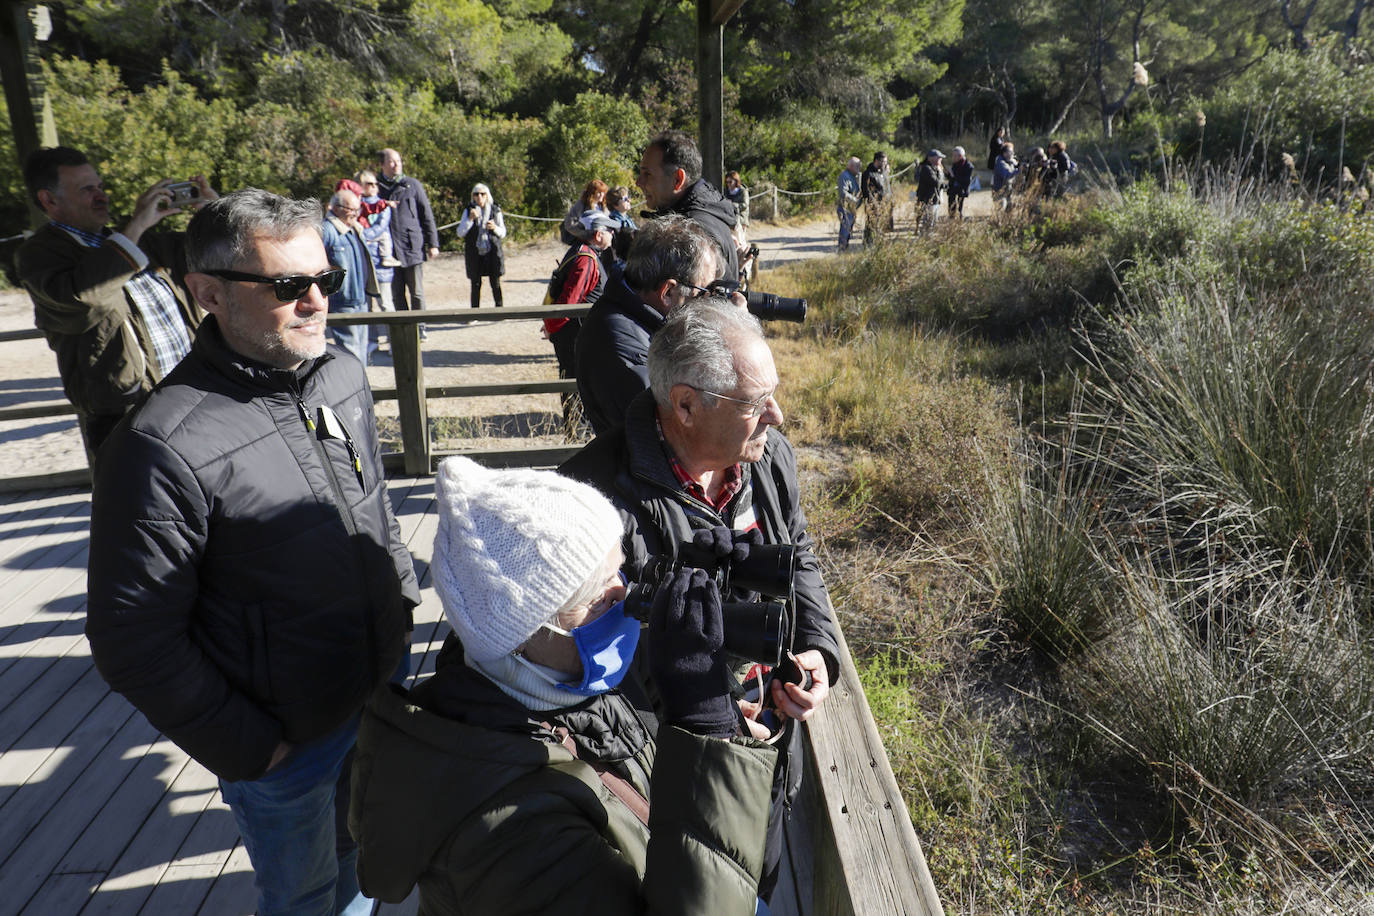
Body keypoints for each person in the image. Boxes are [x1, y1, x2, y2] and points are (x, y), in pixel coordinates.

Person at [85, 188, 421, 915]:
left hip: (375, 696)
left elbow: (376, 505)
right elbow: (131, 638)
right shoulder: (158, 446)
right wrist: (253, 748)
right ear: (206, 292)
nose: (316, 302)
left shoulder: (340, 374)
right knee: (302, 896)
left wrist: (401, 603)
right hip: (283, 747)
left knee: (364, 867)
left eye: (324, 281)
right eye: (287, 286)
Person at [349, 456, 778, 914]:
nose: (622, 596)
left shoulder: (552, 685)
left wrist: (707, 712)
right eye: (595, 597)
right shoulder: (510, 832)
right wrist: (705, 725)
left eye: (621, 569)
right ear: (520, 636)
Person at [561, 298, 841, 900]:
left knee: (759, 873)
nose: (779, 415)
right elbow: (592, 662)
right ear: (685, 405)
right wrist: (709, 717)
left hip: (767, 740)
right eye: (754, 402)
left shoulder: (766, 460)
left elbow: (799, 551)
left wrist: (818, 646)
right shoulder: (594, 498)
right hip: (668, 770)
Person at [16, 146, 211, 466]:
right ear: (49, 201)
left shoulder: (141, 242)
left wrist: (211, 212)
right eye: (87, 189)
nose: (101, 196)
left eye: (100, 187)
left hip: (195, 401)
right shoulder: (39, 256)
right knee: (147, 512)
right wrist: (134, 227)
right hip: (128, 417)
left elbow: (220, 258)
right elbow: (82, 296)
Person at [574, 215, 720, 436]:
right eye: (703, 292)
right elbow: (679, 433)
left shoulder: (639, 318)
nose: (709, 302)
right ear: (668, 292)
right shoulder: (622, 347)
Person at [543, 210, 620, 432]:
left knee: (578, 388)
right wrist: (553, 328)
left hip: (575, 335)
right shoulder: (586, 259)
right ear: (598, 234)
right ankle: (577, 438)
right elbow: (569, 303)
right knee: (577, 390)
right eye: (610, 230)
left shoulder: (581, 252)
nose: (612, 235)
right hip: (574, 338)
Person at [636, 130, 739, 281]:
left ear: (678, 180)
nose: (638, 182)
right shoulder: (706, 213)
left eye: (647, 174)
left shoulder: (693, 232)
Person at [377, 148, 439, 332]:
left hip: (412, 246)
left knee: (417, 292)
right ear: (382, 165)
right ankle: (404, 330)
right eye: (392, 161)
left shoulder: (412, 185)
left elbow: (426, 215)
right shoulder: (377, 188)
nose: (397, 165)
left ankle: (420, 328)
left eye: (399, 161)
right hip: (388, 251)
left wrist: (433, 243)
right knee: (397, 294)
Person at [320, 188, 378, 365]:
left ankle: (362, 389)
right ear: (335, 207)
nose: (355, 214)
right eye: (351, 209)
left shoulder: (353, 229)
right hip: (342, 303)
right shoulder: (327, 230)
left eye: (357, 209)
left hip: (360, 301)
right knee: (352, 355)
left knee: (361, 353)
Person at [356, 170, 396, 357]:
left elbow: (380, 227)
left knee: (385, 304)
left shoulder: (384, 205)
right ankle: (372, 341)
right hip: (363, 261)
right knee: (366, 306)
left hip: (381, 263)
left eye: (374, 184)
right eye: (367, 184)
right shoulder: (355, 204)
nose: (371, 187)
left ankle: (393, 340)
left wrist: (364, 236)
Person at [457, 183, 506, 308]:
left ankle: (499, 310)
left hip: (492, 251)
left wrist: (494, 228)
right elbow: (460, 232)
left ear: (487, 196)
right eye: (476, 194)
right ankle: (474, 313)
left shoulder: (495, 210)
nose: (479, 197)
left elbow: (503, 232)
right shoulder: (468, 210)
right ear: (472, 196)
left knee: (495, 282)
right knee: (475, 283)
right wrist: (470, 220)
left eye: (482, 194)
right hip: (475, 252)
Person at [561, 179, 609, 245]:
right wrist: (587, 235)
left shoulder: (604, 206)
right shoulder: (581, 205)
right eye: (599, 192)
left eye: (603, 192)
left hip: (603, 243)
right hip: (586, 244)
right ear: (592, 193)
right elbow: (569, 224)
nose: (602, 195)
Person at [860, 152, 890, 244]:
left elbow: (886, 188)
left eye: (886, 162)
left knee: (881, 224)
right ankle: (868, 243)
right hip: (872, 204)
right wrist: (874, 204)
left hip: (883, 203)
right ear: (876, 161)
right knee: (871, 224)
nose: (885, 164)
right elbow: (866, 191)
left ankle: (877, 242)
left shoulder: (883, 172)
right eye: (883, 162)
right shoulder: (868, 173)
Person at [915, 149, 947, 232]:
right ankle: (926, 237)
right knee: (929, 222)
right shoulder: (926, 168)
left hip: (934, 199)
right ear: (931, 158)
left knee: (933, 221)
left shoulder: (933, 168)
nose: (941, 160)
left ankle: (928, 237)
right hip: (928, 199)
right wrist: (940, 173)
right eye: (939, 158)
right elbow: (936, 182)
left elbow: (939, 183)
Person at [836, 156, 861, 251]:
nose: (858, 168)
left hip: (851, 210)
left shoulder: (854, 176)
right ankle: (841, 251)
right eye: (857, 166)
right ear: (850, 166)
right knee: (844, 232)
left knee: (848, 232)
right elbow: (843, 193)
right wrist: (855, 200)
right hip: (845, 209)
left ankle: (844, 250)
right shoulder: (845, 176)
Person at [948, 147, 974, 219]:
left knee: (960, 208)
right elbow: (951, 177)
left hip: (962, 190)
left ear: (960, 156)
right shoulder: (955, 164)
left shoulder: (968, 166)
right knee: (951, 206)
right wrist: (948, 174)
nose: (953, 157)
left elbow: (966, 180)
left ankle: (960, 220)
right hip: (953, 189)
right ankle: (952, 219)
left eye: (955, 156)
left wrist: (954, 175)